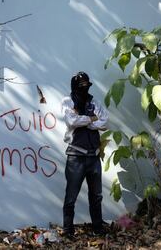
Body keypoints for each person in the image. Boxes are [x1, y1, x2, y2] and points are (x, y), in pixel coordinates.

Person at [61, 71, 109, 237]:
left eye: (87, 85)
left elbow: (105, 122)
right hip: (76, 156)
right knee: (71, 196)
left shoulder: (93, 101)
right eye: (81, 86)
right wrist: (91, 119)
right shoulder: (67, 101)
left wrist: (86, 120)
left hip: (94, 156)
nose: (85, 88)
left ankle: (98, 228)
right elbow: (71, 121)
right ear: (75, 86)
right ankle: (68, 230)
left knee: (96, 196)